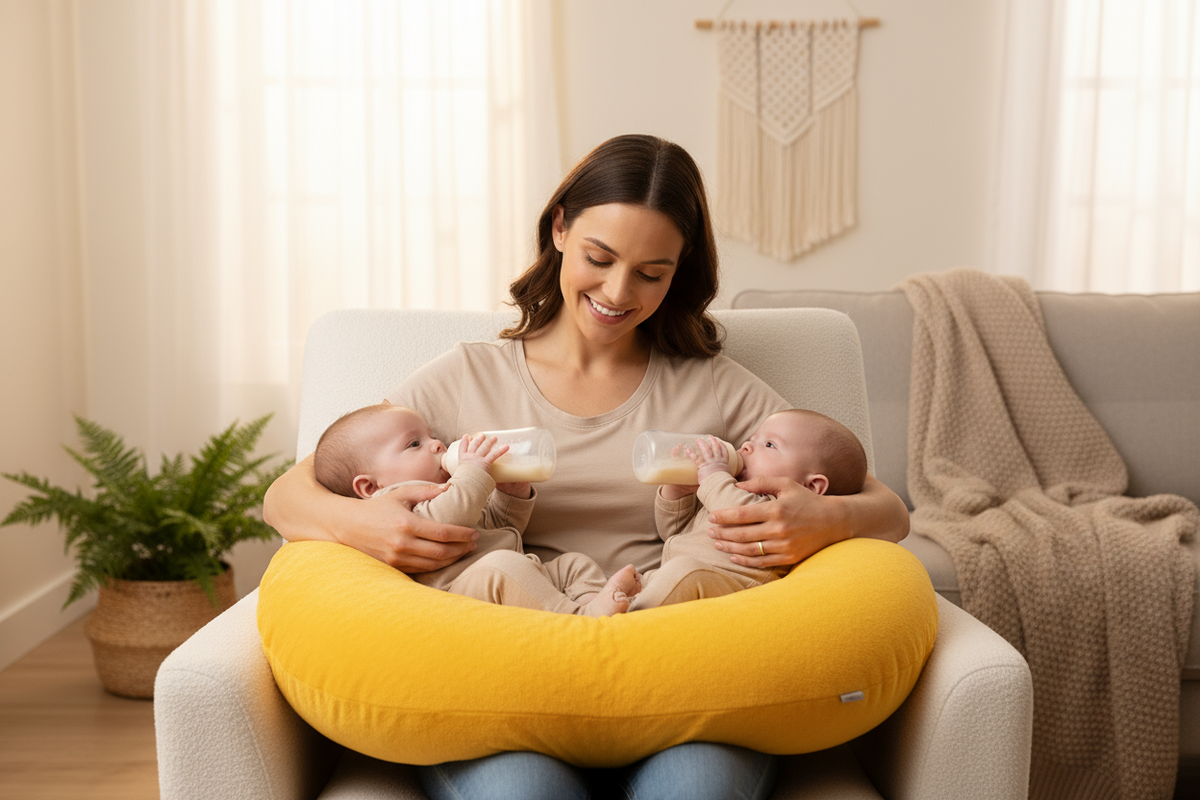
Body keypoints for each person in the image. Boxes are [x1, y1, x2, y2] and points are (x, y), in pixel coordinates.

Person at [264, 133, 909, 800]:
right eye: (599, 258)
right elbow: (287, 495)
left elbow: (887, 510)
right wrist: (361, 526)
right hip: (507, 679)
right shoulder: (466, 376)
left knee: (694, 791)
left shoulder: (718, 389)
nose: (617, 291)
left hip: (677, 673)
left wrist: (825, 516)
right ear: (560, 229)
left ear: (681, 270)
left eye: (652, 273)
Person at [313, 403, 640, 616]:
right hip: (462, 591)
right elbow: (449, 517)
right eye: (414, 444)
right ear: (370, 487)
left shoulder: (453, 489)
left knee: (572, 564)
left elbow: (498, 526)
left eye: (432, 436)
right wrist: (475, 471)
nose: (437, 445)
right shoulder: (396, 504)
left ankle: (596, 602)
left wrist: (511, 493)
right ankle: (580, 621)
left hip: (518, 570)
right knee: (503, 565)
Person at [631, 409, 867, 610]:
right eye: (751, 439)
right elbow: (673, 532)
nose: (746, 446)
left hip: (726, 593)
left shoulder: (779, 514)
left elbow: (744, 516)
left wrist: (713, 476)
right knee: (627, 579)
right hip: (664, 582)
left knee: (683, 572)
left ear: (812, 486)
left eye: (769, 444)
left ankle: (625, 625)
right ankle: (610, 615)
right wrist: (677, 490)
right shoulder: (727, 492)